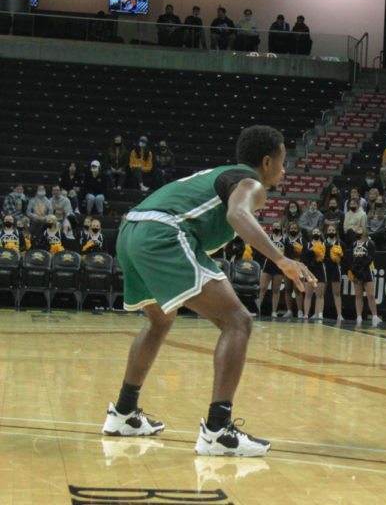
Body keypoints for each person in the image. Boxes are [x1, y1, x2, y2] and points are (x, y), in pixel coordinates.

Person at [101, 125, 316, 457]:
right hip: (162, 232)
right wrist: (281, 258)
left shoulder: (222, 174)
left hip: (131, 231)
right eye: (283, 162)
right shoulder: (251, 183)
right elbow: (237, 214)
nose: (285, 170)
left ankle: (124, 413)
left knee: (160, 321)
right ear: (267, 161)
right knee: (238, 322)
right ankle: (218, 430)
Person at [348, 228, 380, 326]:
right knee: (358, 295)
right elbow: (350, 257)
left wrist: (363, 267)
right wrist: (353, 269)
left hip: (367, 270)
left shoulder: (369, 244)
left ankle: (374, 316)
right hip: (356, 271)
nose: (358, 231)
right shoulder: (353, 244)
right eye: (357, 230)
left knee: (370, 294)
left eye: (360, 229)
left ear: (364, 232)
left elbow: (371, 257)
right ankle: (359, 317)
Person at [258, 222, 287, 317]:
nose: (276, 228)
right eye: (274, 226)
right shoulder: (268, 238)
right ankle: (258, 308)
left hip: (279, 266)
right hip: (268, 264)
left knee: (276, 289)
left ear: (281, 228)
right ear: (271, 228)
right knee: (263, 287)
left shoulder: (284, 239)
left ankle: (274, 311)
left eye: (278, 226)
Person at [302, 228, 328, 320]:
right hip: (309, 270)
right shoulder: (307, 244)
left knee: (319, 295)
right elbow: (303, 257)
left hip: (320, 270)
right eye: (314, 232)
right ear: (311, 234)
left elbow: (327, 258)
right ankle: (306, 314)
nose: (316, 233)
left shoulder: (325, 244)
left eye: (317, 232)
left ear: (320, 233)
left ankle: (319, 314)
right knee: (308, 294)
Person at [283, 221, 306, 318]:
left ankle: (300, 311)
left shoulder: (302, 240)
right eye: (292, 229)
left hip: (298, 268)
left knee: (297, 289)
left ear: (298, 230)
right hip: (288, 267)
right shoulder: (286, 240)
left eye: (295, 229)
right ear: (289, 230)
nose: (293, 230)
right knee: (287, 288)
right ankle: (289, 311)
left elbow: (304, 254)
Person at [323, 225, 345, 321]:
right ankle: (318, 313)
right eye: (329, 230)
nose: (331, 231)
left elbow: (344, 259)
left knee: (337, 293)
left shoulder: (340, 244)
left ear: (336, 232)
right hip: (324, 269)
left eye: (333, 230)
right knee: (321, 293)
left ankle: (339, 315)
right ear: (326, 231)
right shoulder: (322, 243)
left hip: (336, 269)